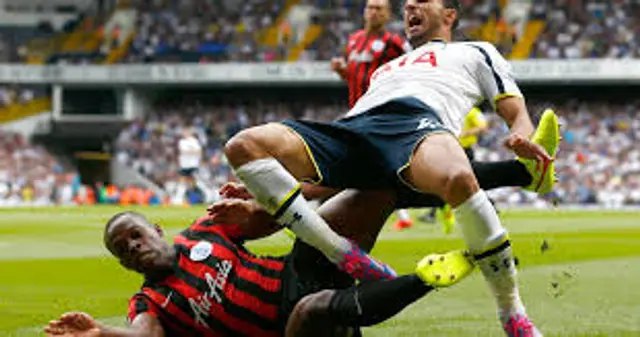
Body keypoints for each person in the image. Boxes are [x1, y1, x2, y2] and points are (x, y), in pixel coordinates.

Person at [222, 0, 558, 335]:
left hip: (417, 124)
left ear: (450, 15)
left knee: (457, 176)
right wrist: (260, 195)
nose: (410, 5)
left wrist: (521, 139)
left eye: (422, 1)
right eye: (407, 4)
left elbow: (517, 114)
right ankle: (340, 251)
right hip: (354, 128)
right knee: (243, 145)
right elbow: (325, 184)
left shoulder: (476, 52)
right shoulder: (385, 69)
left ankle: (512, 314)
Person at [44, 203, 475, 337]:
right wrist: (102, 334)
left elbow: (277, 217)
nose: (135, 247)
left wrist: (252, 204)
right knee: (313, 308)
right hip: (291, 328)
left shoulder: (205, 231)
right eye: (124, 250)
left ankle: (476, 180)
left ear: (156, 229)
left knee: (333, 213)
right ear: (123, 264)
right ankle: (425, 278)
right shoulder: (150, 301)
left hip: (295, 274)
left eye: (136, 235)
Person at [330, 0, 410, 109]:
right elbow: (354, 76)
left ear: (388, 15)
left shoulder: (394, 42)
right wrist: (341, 70)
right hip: (355, 109)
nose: (373, 12)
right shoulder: (353, 39)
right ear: (364, 11)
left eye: (378, 9)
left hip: (379, 110)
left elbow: (410, 72)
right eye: (370, 8)